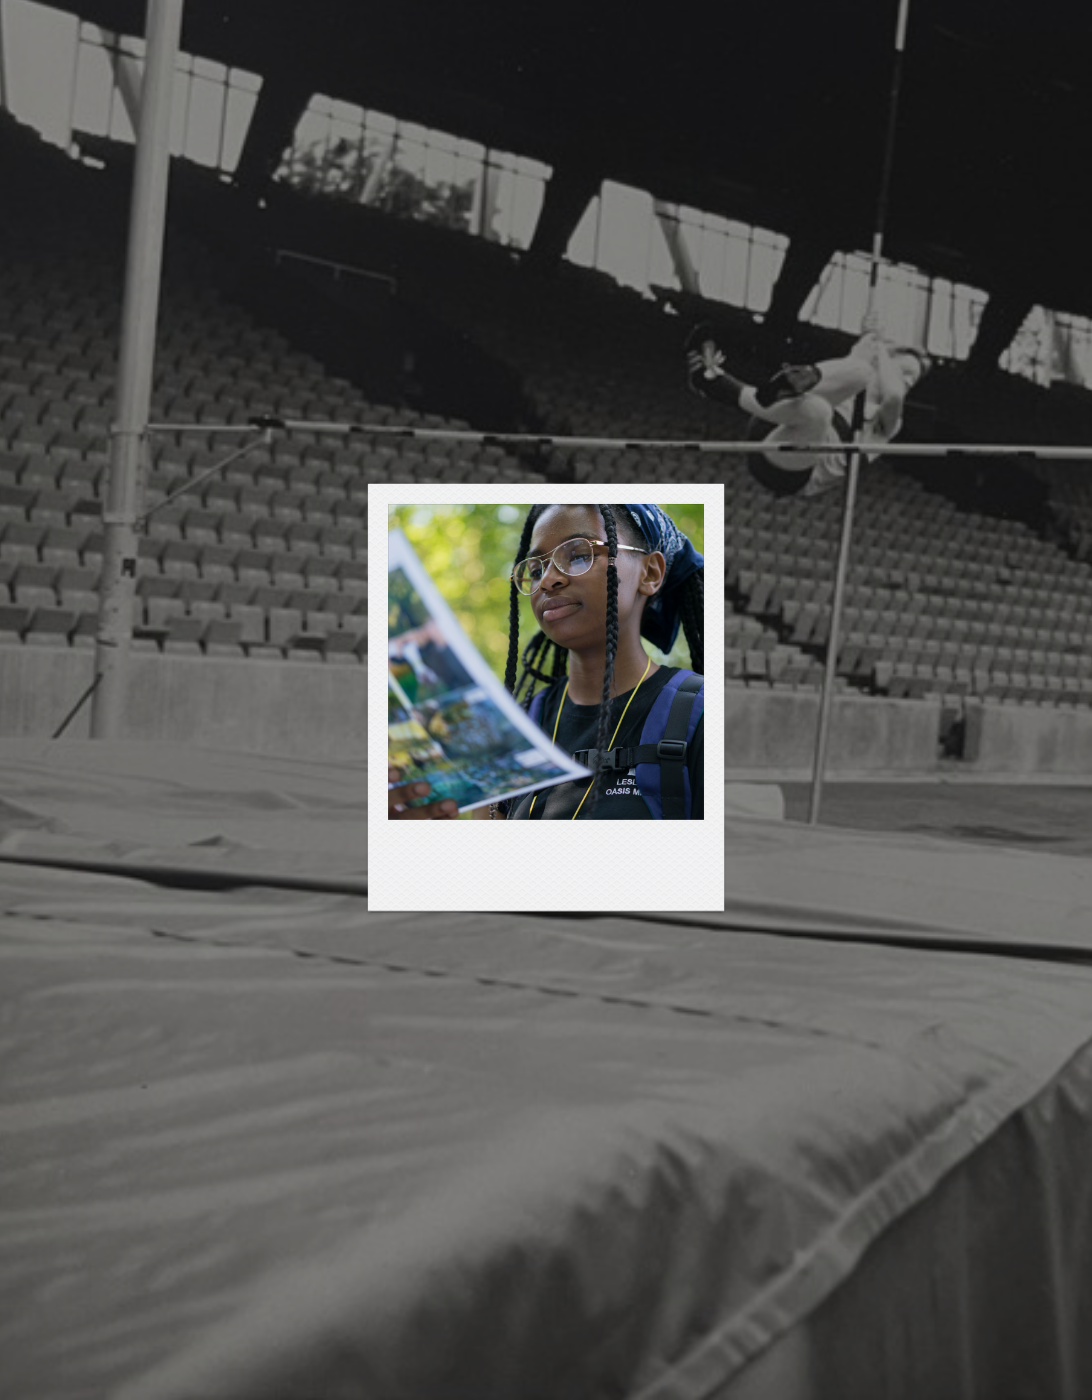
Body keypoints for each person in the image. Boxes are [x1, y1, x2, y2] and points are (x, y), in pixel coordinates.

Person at [495, 502, 704, 820]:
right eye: (536, 570)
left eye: (578, 554)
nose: (548, 580)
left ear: (650, 573)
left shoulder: (701, 714)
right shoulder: (515, 727)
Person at [685, 315, 931, 498]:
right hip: (773, 422)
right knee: (859, 370)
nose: (905, 381)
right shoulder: (866, 374)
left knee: (819, 412)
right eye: (903, 373)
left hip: (788, 469)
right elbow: (860, 360)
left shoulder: (888, 422)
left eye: (912, 379)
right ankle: (795, 381)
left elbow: (894, 396)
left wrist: (879, 346)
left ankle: (722, 385)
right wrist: (870, 338)